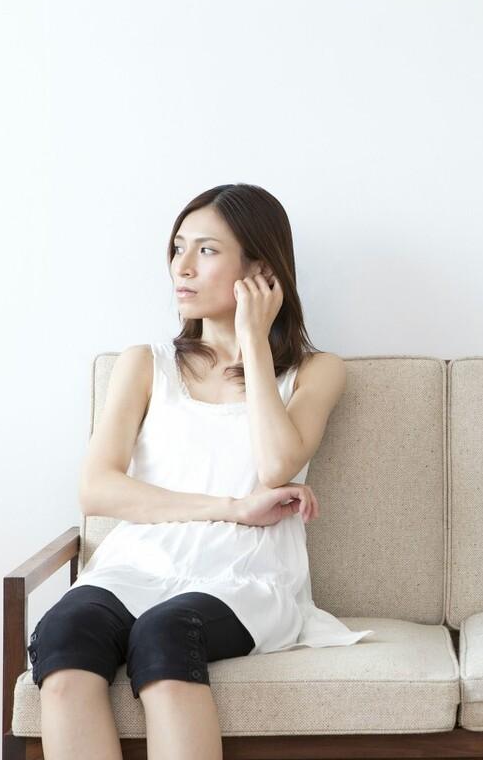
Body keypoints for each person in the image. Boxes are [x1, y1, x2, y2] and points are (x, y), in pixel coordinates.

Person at [28, 183, 371, 759]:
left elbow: (277, 464)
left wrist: (253, 341)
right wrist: (231, 508)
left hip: (244, 575)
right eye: (178, 247)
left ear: (260, 270)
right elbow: (96, 489)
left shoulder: (317, 371)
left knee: (163, 632)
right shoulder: (145, 365)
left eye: (206, 250)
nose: (181, 267)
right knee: (63, 638)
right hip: (138, 564)